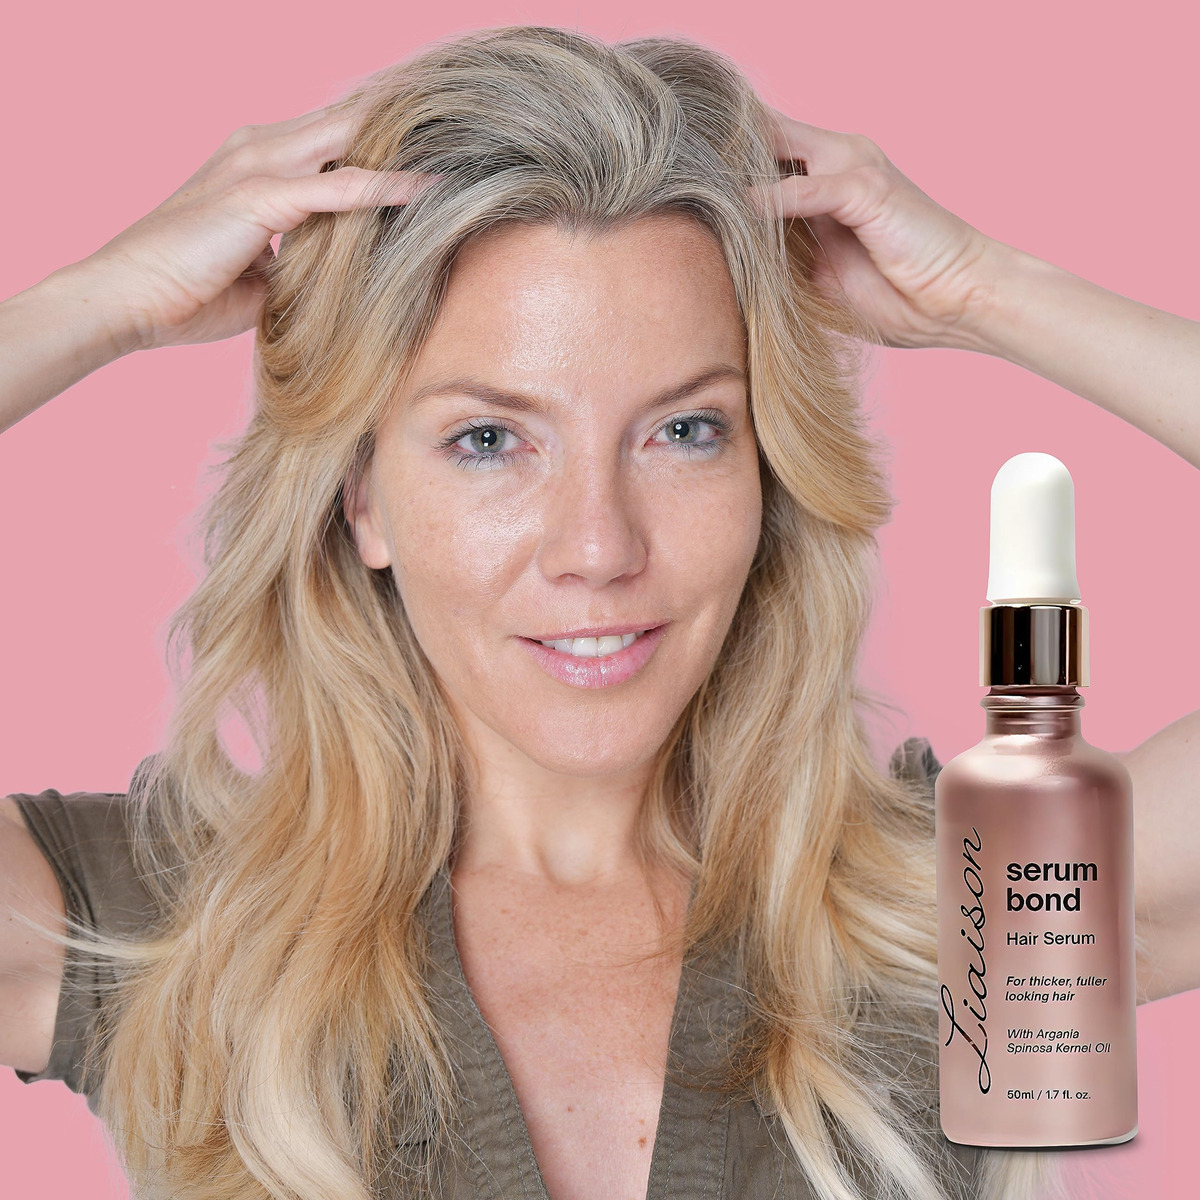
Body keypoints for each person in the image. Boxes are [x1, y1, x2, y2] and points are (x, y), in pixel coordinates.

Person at [0, 22, 1194, 1200]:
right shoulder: (172, 926)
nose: (598, 547)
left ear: (767, 469)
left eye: (685, 430)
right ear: (362, 498)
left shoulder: (977, 903)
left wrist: (984, 290)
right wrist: (104, 300)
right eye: (488, 440)